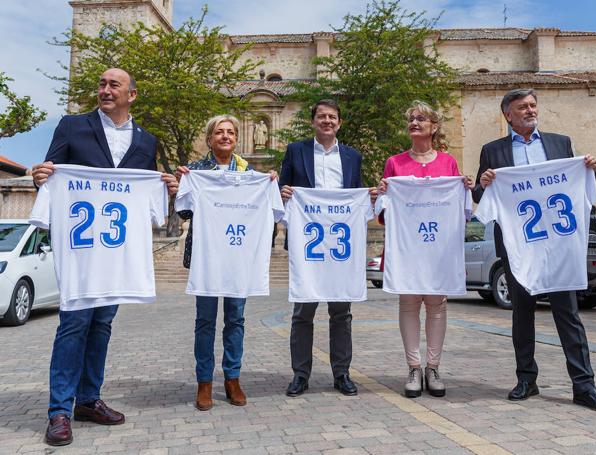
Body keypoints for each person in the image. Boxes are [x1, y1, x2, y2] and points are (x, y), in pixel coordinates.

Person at [32, 68, 179, 446]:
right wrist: (41, 176)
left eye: (114, 85)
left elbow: (145, 192)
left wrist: (168, 188)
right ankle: (59, 411)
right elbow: (52, 173)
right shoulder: (71, 126)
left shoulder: (147, 141)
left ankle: (89, 399)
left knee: (102, 326)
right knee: (73, 325)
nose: (105, 89)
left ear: (132, 94)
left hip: (117, 255)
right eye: (101, 84)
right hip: (81, 253)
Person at [472, 88, 596, 413]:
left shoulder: (560, 143)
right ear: (508, 114)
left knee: (568, 313)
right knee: (522, 314)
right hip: (519, 246)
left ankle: (584, 386)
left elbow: (579, 185)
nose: (529, 110)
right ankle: (526, 379)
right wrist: (483, 183)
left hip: (558, 245)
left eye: (533, 105)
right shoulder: (493, 150)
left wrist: (590, 168)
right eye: (522, 107)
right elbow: (482, 200)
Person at [175, 115, 277, 411]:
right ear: (209, 139)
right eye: (219, 132)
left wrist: (269, 183)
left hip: (238, 258)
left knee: (235, 319)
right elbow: (184, 215)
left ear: (237, 138)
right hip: (206, 259)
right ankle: (204, 382)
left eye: (230, 132)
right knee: (205, 321)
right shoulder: (195, 170)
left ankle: (232, 378)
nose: (225, 136)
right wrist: (180, 184)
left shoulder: (249, 173)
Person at [377, 100, 472, 398]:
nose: (414, 123)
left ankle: (433, 366)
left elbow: (460, 210)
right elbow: (384, 214)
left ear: (433, 126)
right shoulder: (395, 162)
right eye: (411, 119)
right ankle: (413, 367)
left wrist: (464, 187)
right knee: (409, 303)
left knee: (436, 304)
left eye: (420, 119)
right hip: (408, 247)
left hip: (437, 247)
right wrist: (382, 192)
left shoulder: (448, 163)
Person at [280, 99, 374, 397]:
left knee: (341, 312)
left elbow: (356, 192)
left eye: (332, 117)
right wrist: (282, 192)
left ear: (340, 123)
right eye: (321, 116)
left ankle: (342, 373)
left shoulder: (352, 156)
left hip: (340, 246)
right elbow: (282, 190)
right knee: (302, 312)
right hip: (308, 244)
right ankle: (300, 375)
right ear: (313, 121)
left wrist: (367, 196)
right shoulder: (296, 150)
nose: (327, 121)